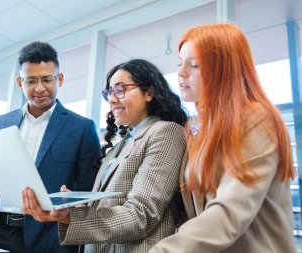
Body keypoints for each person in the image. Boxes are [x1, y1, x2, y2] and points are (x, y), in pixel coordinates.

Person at [149, 23, 296, 253]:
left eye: (194, 65)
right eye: (180, 64)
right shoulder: (197, 128)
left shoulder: (257, 119)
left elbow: (228, 213)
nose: (181, 73)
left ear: (224, 70)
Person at [22, 59, 189, 252]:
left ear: (149, 92)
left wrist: (72, 217)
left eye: (120, 90)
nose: (111, 99)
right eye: (109, 92)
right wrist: (76, 205)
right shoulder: (122, 144)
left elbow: (140, 215)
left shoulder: (166, 132)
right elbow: (109, 204)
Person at [0, 41, 101, 253]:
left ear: (59, 79)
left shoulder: (82, 128)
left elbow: (89, 193)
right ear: (19, 82)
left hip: (48, 239)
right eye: (31, 80)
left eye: (46, 79)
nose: (39, 88)